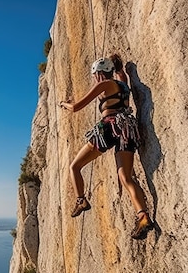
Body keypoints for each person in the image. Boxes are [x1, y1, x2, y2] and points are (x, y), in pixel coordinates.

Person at [59, 55, 152, 239]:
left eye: (95, 75)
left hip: (110, 127)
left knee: (74, 166)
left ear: (99, 73)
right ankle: (143, 216)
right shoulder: (122, 84)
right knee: (126, 177)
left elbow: (76, 107)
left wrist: (63, 103)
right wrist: (119, 69)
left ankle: (81, 200)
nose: (94, 79)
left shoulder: (104, 84)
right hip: (127, 129)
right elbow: (122, 75)